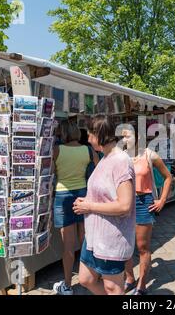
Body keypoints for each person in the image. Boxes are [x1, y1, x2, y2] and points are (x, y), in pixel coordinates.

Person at [75, 115, 136, 295]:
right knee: (85, 279)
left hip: (112, 238)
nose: (87, 139)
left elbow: (124, 205)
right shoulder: (104, 158)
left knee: (113, 287)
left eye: (90, 134)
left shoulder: (121, 161)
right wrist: (86, 202)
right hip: (95, 237)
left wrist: (89, 206)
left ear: (99, 134)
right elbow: (103, 194)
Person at [122, 127, 172, 295]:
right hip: (124, 202)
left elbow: (168, 177)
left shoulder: (149, 155)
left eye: (127, 136)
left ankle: (142, 286)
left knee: (142, 246)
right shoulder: (120, 156)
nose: (124, 140)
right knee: (125, 245)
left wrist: (162, 200)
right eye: (122, 137)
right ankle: (129, 278)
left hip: (144, 203)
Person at [52, 120, 99, 295]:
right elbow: (97, 170)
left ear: (63, 133)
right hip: (83, 195)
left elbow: (49, 171)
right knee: (86, 241)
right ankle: (93, 277)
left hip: (63, 197)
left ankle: (67, 285)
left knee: (68, 247)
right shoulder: (88, 150)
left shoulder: (57, 150)